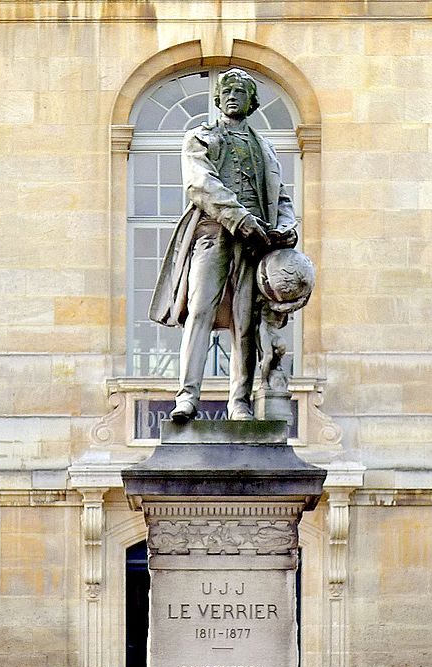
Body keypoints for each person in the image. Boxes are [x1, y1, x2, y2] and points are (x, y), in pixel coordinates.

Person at [148, 68, 298, 422]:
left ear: (251, 102)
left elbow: (282, 198)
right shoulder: (201, 137)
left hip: (255, 245)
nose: (233, 95)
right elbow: (200, 184)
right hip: (213, 232)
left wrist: (287, 228)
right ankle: (187, 398)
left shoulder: (265, 147)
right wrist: (240, 219)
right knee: (200, 311)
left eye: (241, 91)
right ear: (217, 99)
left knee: (245, 323)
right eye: (227, 90)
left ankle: (239, 403)